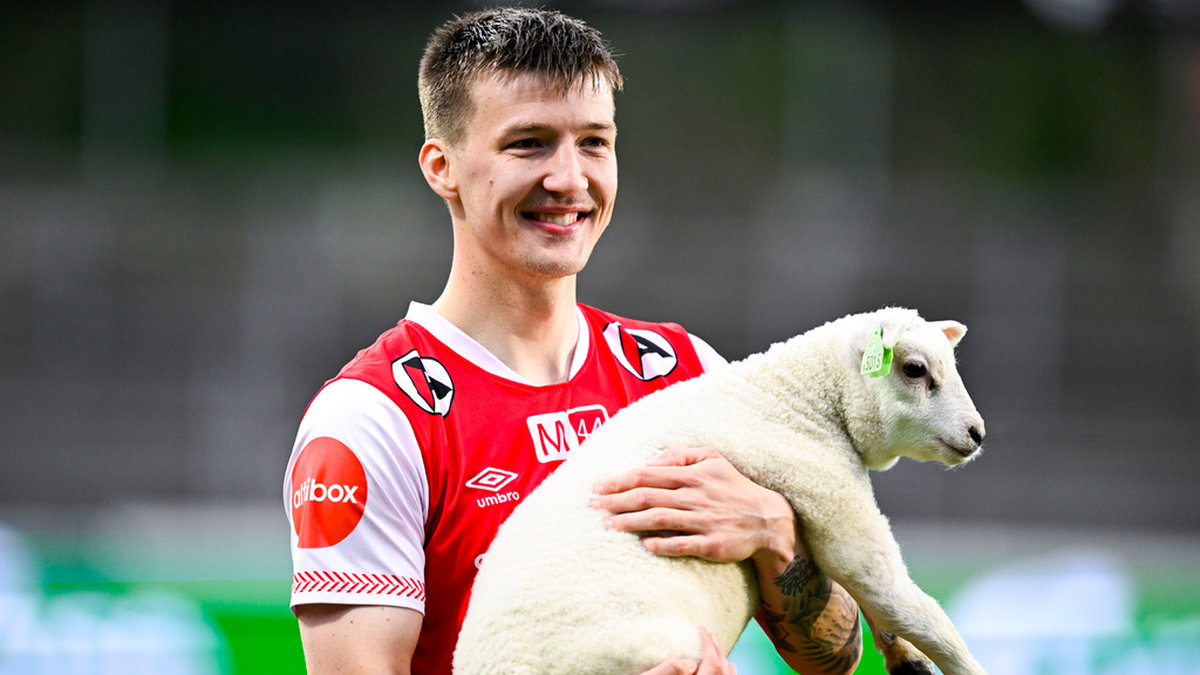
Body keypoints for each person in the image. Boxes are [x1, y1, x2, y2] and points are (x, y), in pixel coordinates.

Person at [283, 7, 863, 674]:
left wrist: (774, 533)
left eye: (593, 142)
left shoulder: (685, 374)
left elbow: (835, 658)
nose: (569, 179)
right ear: (443, 167)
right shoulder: (371, 420)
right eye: (529, 143)